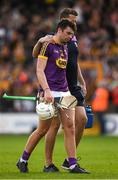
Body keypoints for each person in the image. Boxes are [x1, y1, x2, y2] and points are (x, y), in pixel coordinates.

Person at [17, 19, 84, 174]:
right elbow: (39, 70)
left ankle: (73, 165)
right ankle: (23, 160)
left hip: (64, 91)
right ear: (59, 30)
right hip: (49, 92)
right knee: (43, 129)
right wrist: (46, 90)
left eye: (72, 34)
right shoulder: (47, 45)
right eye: (68, 33)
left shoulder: (66, 46)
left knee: (70, 127)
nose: (70, 37)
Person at [32, 8, 89, 173]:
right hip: (59, 87)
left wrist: (82, 81)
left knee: (81, 120)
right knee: (53, 126)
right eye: (72, 20)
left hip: (72, 86)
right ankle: (48, 163)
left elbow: (74, 61)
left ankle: (69, 160)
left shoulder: (72, 38)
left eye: (76, 22)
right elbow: (36, 56)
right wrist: (40, 41)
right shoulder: (53, 38)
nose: (75, 24)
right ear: (63, 21)